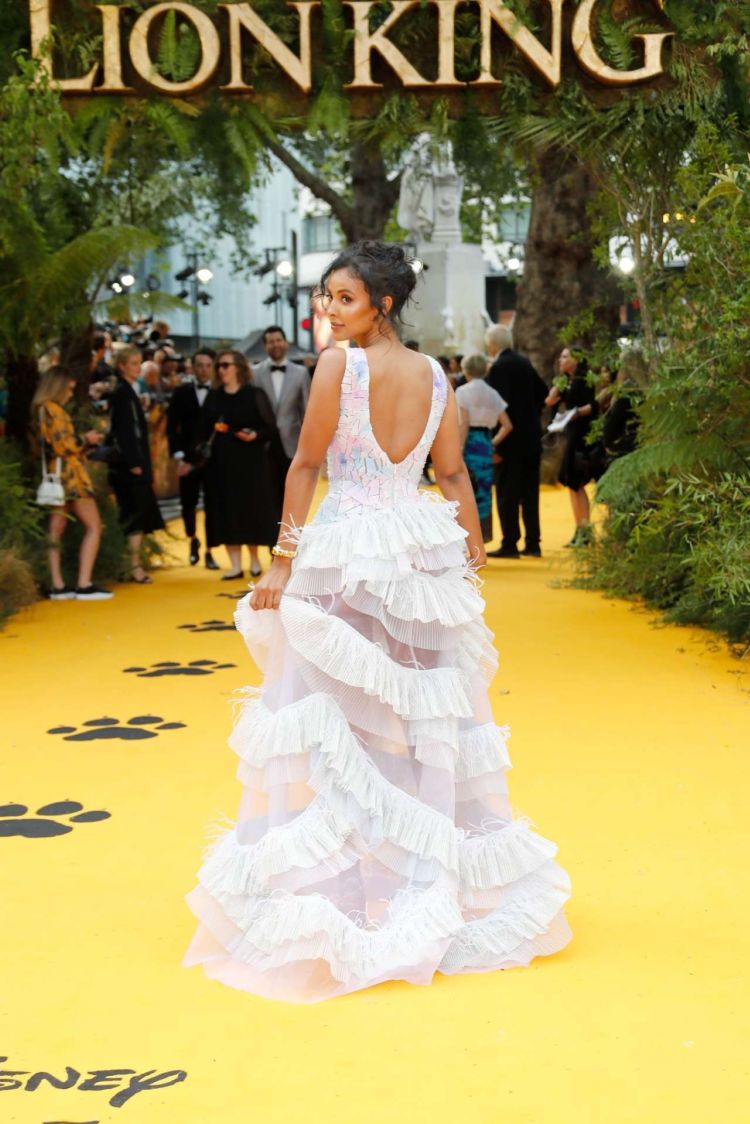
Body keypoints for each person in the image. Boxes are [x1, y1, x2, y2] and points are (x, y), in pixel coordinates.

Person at [183, 240, 572, 1004]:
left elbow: (305, 465)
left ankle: (364, 892)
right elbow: (451, 474)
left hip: (347, 555)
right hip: (416, 554)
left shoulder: (340, 366)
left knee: (340, 723)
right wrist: (471, 552)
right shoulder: (434, 376)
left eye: (344, 298)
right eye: (327, 297)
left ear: (382, 304)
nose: (329, 310)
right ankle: (410, 881)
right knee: (415, 724)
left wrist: (282, 562)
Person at [32, 367, 113, 601]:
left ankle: (58, 584)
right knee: (93, 526)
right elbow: (63, 445)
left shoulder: (42, 409)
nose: (70, 394)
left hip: (57, 474)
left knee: (56, 528)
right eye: (68, 389)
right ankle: (84, 583)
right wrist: (86, 439)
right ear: (57, 387)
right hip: (71, 475)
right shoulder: (53, 410)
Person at [202, 350, 283, 580]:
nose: (221, 370)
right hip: (221, 463)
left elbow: (270, 428)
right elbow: (202, 428)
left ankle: (255, 559)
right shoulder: (213, 397)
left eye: (226, 365)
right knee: (227, 510)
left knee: (252, 509)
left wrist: (254, 435)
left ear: (239, 367)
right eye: (219, 366)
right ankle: (235, 564)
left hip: (251, 463)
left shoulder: (254, 394)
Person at [485, 325, 548, 559]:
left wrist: (496, 444)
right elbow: (543, 393)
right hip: (531, 438)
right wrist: (531, 415)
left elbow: (498, 407)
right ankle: (533, 543)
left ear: (492, 345)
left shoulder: (499, 367)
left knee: (507, 493)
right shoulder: (524, 362)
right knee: (530, 492)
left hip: (509, 441)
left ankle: (510, 543)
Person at [108, 346, 166, 583]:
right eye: (133, 363)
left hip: (134, 463)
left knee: (136, 517)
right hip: (130, 467)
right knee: (134, 517)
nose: (137, 367)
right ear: (122, 366)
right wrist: (133, 462)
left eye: (138, 362)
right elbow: (124, 430)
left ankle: (132, 565)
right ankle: (134, 567)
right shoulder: (122, 393)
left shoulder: (127, 390)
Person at [167, 348, 219, 569]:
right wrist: (178, 456)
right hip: (187, 459)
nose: (204, 370)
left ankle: (209, 550)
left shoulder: (219, 393)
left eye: (208, 366)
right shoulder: (181, 392)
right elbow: (172, 427)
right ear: (192, 367)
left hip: (213, 461)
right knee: (188, 504)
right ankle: (192, 540)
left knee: (212, 505)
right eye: (200, 365)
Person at [455, 353, 513, 543]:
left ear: (466, 370)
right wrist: (492, 442)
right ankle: (483, 535)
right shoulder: (492, 393)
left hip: (470, 443)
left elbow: (463, 423)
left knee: (466, 491)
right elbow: (507, 425)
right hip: (486, 443)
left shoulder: (462, 391)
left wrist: (459, 449)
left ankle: (467, 538)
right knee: (485, 491)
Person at [545, 346, 598, 547]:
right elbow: (549, 400)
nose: (561, 359)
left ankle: (585, 531)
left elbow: (594, 406)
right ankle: (579, 529)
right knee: (572, 484)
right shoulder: (566, 380)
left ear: (576, 359)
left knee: (577, 483)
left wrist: (575, 413)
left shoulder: (585, 379)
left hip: (582, 434)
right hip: (571, 432)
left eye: (565, 356)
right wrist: (559, 383)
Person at [252, 326, 310, 480]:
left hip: (292, 443)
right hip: (262, 443)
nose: (275, 344)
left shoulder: (301, 373)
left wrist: (308, 445)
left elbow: (307, 411)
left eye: (278, 340)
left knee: (291, 487)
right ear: (265, 346)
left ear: (286, 343)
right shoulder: (254, 373)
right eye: (271, 342)